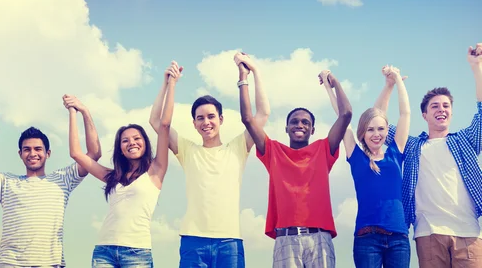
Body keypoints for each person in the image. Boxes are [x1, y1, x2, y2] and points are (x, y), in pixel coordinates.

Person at [148, 58, 269, 268]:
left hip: (230, 242)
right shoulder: (187, 150)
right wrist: (168, 84)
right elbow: (156, 122)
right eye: (200, 118)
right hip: (193, 241)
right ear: (194, 123)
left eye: (211, 116)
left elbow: (262, 114)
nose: (206, 122)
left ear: (221, 119)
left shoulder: (238, 147)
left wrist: (254, 72)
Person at [237, 53, 352, 268]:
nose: (300, 125)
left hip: (320, 238)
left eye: (305, 122)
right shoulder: (273, 151)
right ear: (287, 127)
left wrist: (334, 82)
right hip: (286, 239)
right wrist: (243, 77)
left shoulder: (323, 149)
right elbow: (247, 119)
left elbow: (346, 114)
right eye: (295, 121)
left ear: (312, 129)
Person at [67, 62, 180, 267]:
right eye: (125, 141)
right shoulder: (112, 176)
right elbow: (76, 153)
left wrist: (169, 84)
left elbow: (164, 124)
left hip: (137, 253)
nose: (131, 143)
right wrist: (77, 111)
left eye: (136, 138)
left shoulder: (156, 170)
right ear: (120, 148)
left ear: (145, 142)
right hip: (104, 251)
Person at [380, 43, 482, 268]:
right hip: (428, 233)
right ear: (424, 115)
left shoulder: (465, 141)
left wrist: (477, 67)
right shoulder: (413, 145)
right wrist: (389, 86)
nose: (441, 109)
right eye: (434, 106)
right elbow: (378, 124)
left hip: (468, 232)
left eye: (446, 106)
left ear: (452, 113)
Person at [0, 106, 101, 268]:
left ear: (48, 153)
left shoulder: (63, 179)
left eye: (38, 149)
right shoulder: (6, 181)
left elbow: (94, 154)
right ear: (20, 154)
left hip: (49, 264)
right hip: (9, 263)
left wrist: (84, 111)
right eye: (27, 149)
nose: (32, 153)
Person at [321, 66, 410, 267]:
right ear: (362, 133)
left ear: (387, 130)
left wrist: (397, 80)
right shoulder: (356, 156)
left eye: (380, 129)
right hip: (366, 239)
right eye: (370, 130)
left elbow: (405, 113)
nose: (376, 134)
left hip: (398, 239)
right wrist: (330, 88)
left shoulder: (396, 153)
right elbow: (342, 116)